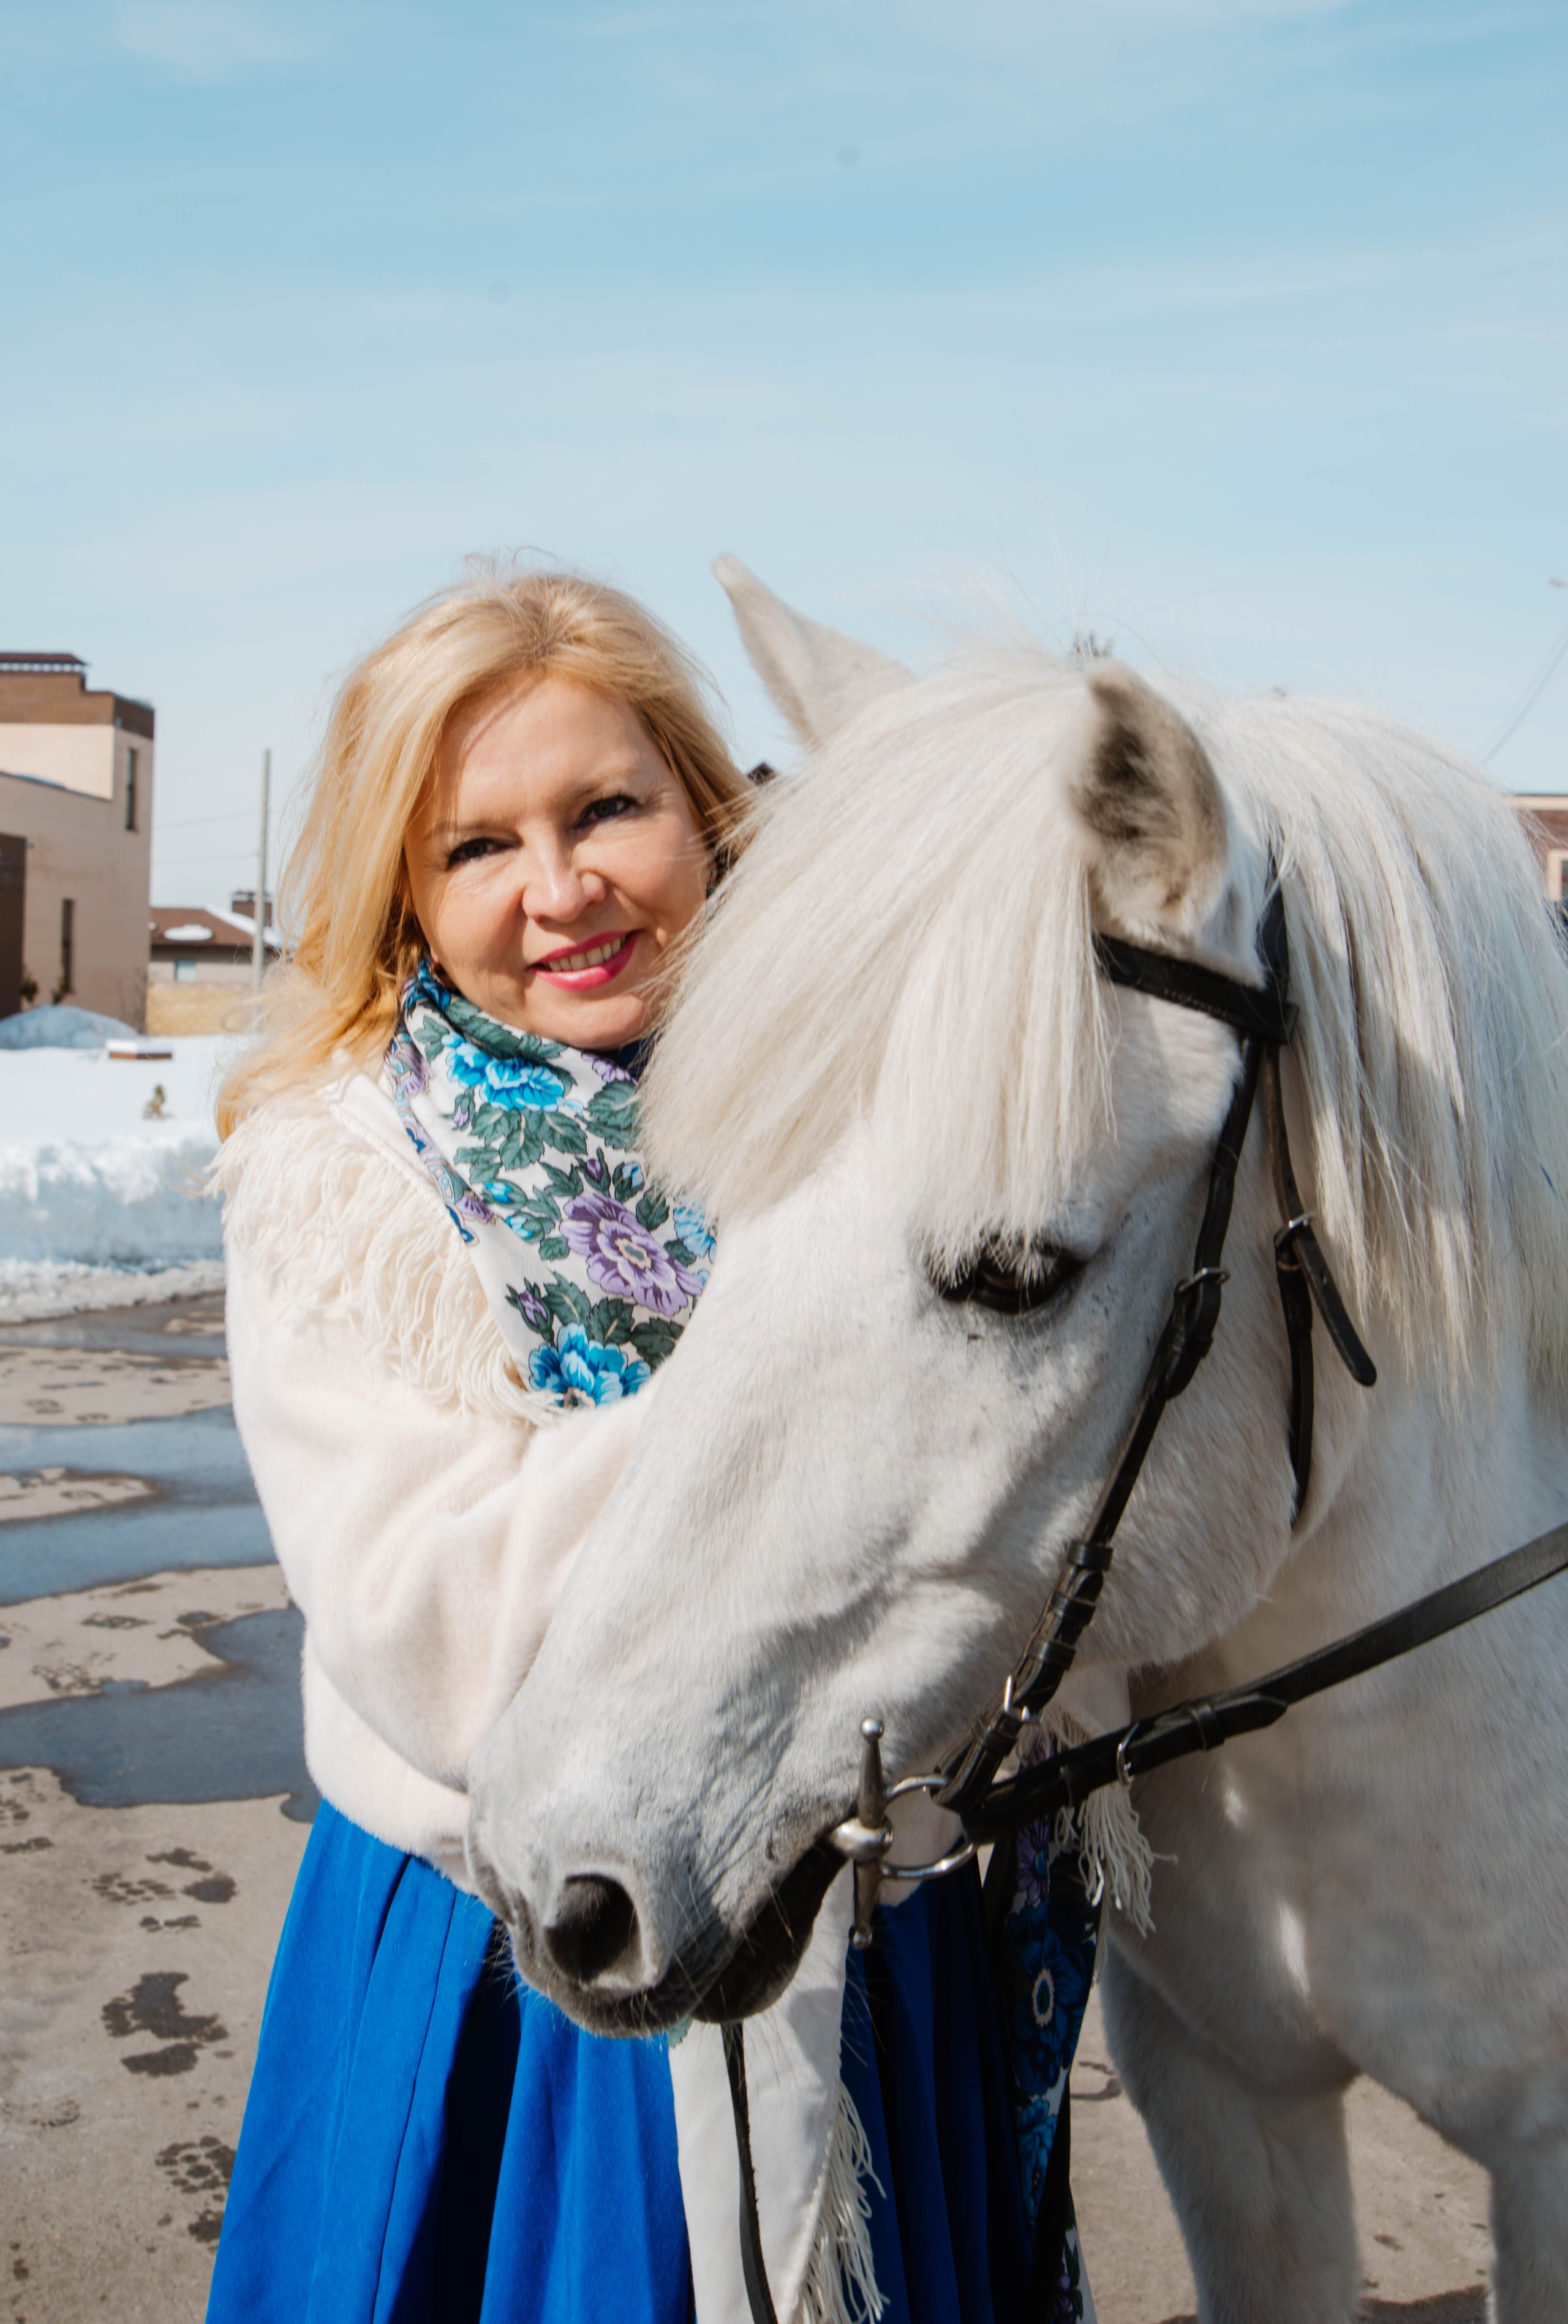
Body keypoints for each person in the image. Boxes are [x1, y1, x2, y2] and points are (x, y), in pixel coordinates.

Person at [206, 564, 1098, 2324]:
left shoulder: (867, 1127)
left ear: (704, 805)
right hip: (532, 1978)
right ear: (404, 889)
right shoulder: (346, 1174)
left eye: (607, 804)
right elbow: (435, 1634)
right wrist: (805, 1384)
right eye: (477, 845)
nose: (561, 889)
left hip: (869, 1924)